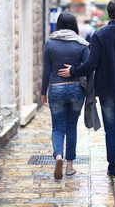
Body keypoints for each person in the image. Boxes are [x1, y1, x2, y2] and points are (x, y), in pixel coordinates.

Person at [58, 0, 115, 185]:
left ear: (108, 13)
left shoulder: (100, 35)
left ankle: (112, 166)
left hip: (106, 91)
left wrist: (72, 71)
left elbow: (91, 64)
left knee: (111, 129)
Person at [41, 12, 90, 180]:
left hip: (55, 88)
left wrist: (42, 92)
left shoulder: (50, 44)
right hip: (76, 89)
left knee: (57, 127)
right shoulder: (82, 45)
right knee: (71, 127)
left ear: (58, 24)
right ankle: (69, 167)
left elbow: (46, 71)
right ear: (75, 25)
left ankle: (58, 156)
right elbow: (88, 67)